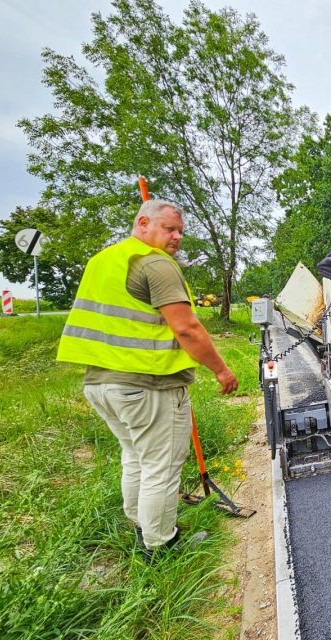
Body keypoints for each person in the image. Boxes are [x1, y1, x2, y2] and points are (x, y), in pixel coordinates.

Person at [57, 199, 238, 561]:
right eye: (169, 229)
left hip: (101, 383)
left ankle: (141, 526)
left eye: (180, 232)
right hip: (147, 384)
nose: (176, 238)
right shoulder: (155, 264)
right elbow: (186, 328)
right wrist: (222, 370)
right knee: (162, 464)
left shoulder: (103, 260)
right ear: (143, 223)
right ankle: (160, 545)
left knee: (136, 457)